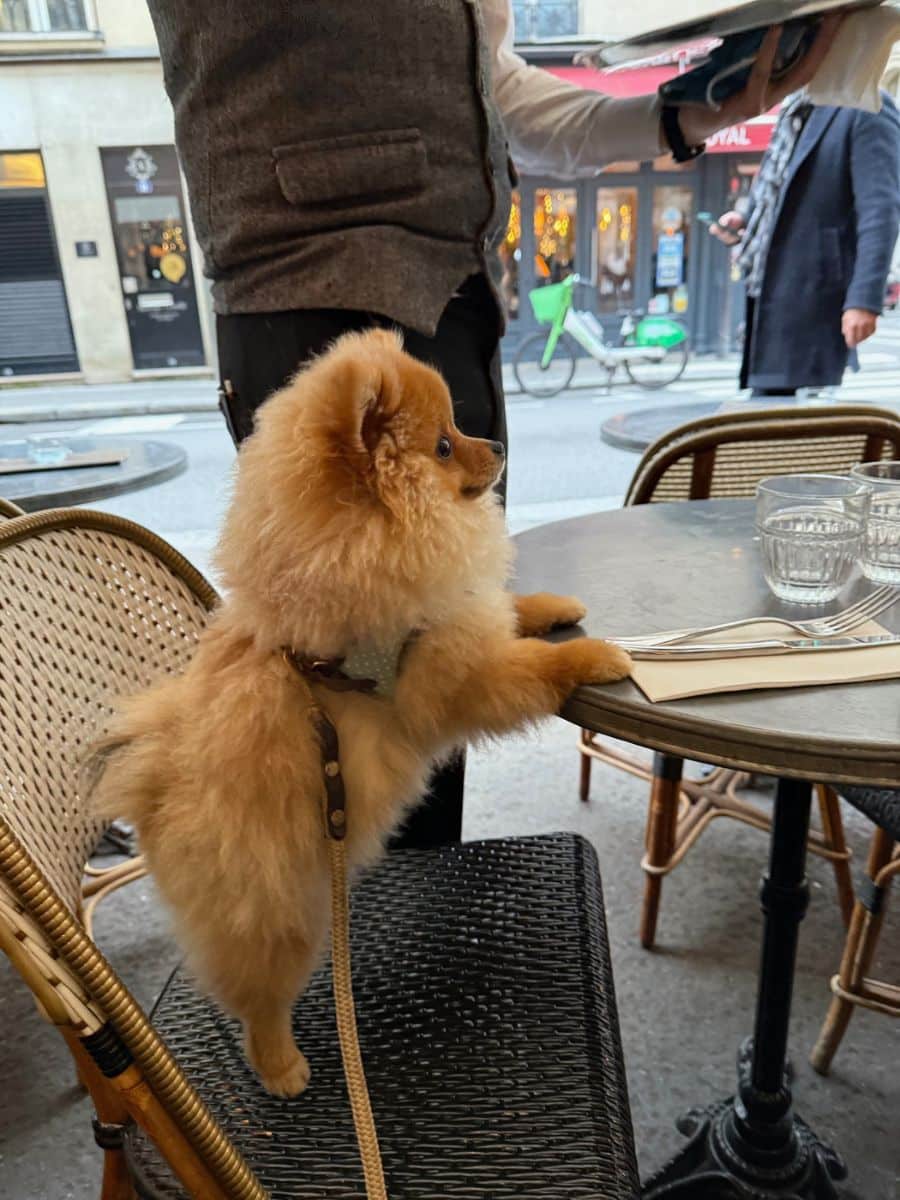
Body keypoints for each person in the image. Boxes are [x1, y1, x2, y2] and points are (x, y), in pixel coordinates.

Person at [145, 1, 837, 847]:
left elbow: (491, 90)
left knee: (435, 683)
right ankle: (373, 953)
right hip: (309, 300)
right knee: (347, 725)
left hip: (458, 307)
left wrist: (685, 113)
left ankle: (421, 940)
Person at [712, 90, 900, 396]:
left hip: (815, 306)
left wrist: (864, 299)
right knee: (767, 420)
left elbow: (881, 210)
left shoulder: (865, 104)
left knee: (800, 429)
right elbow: (780, 191)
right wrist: (748, 220)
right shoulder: (795, 109)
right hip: (768, 299)